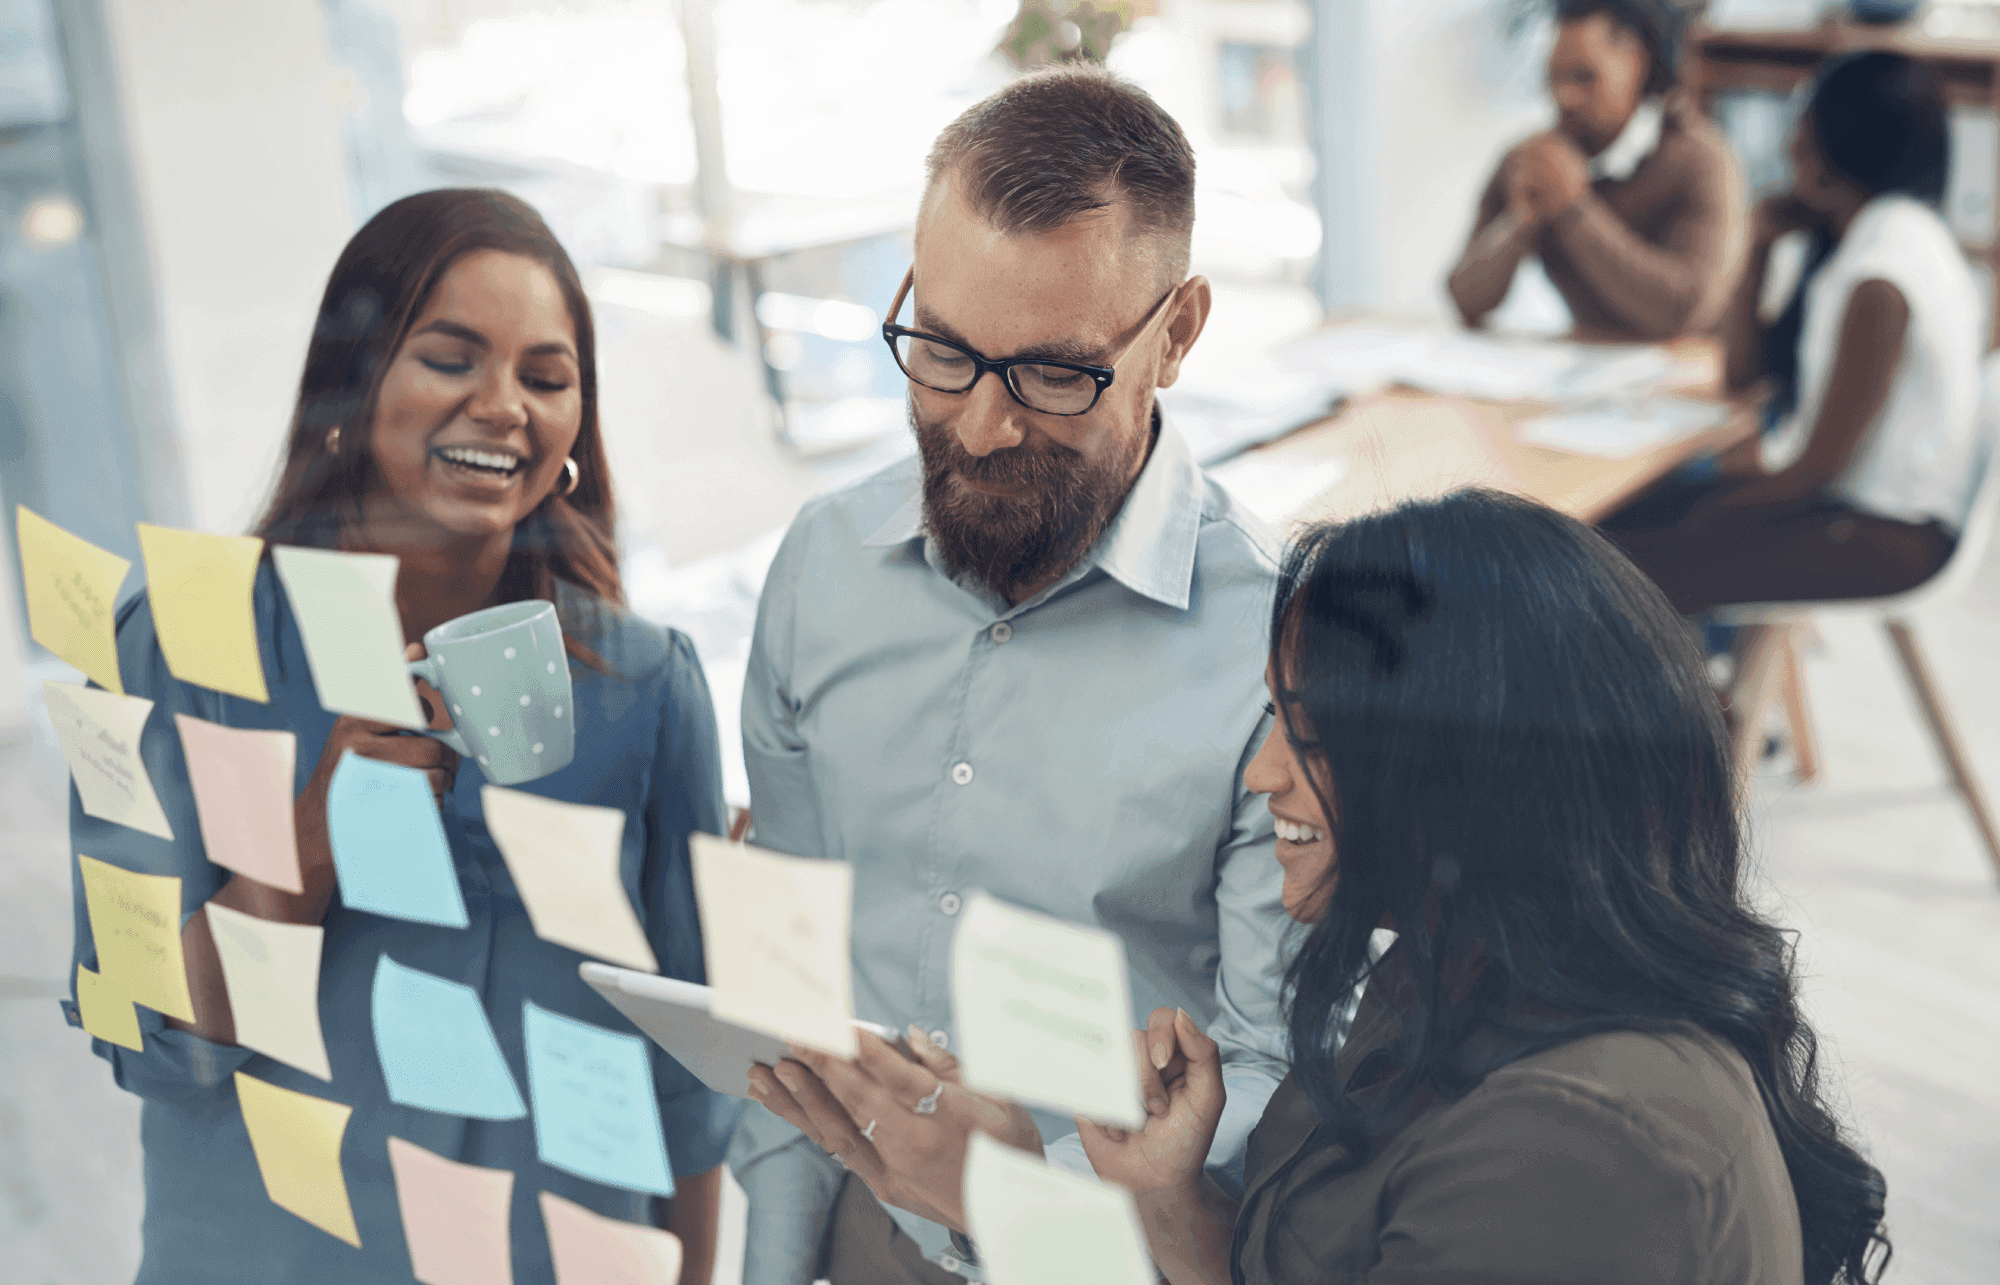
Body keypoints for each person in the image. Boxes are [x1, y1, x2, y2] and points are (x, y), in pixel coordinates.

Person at [830, 489, 1893, 1283]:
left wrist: (994, 1196)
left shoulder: (1571, 1145)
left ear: (1464, 774)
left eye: (1311, 735)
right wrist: (1161, 1189)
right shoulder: (1447, 970)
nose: (1261, 776)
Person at [63, 189, 740, 1284]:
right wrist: (308, 853)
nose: (502, 405)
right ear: (353, 382)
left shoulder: (644, 687)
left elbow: (688, 1088)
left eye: (545, 376)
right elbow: (143, 1036)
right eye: (449, 357)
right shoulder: (177, 645)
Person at [728, 66, 1290, 1284]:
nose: (979, 427)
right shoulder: (819, 568)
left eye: (1051, 375)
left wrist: (1012, 1190)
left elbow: (1275, 1065)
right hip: (854, 1235)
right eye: (937, 348)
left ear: (1177, 333)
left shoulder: (1278, 652)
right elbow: (789, 973)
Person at [1603, 52, 1983, 617]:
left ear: (1846, 142)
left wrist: (1713, 511)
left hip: (1883, 535)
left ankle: (1686, 697)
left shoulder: (1882, 275)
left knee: (1610, 559)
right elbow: (1741, 377)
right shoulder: (1874, 237)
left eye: (1804, 127)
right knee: (1638, 519)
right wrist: (1756, 249)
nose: (1790, 147)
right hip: (1856, 514)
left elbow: (1817, 471)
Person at [1448, 0, 1747, 341]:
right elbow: (1464, 298)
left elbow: (1684, 311)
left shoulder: (1702, 159)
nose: (1565, 97)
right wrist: (1521, 222)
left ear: (1638, 62)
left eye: (1584, 77)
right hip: (1588, 368)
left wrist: (1575, 211)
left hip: (1693, 376)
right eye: (1554, 77)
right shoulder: (1533, 160)